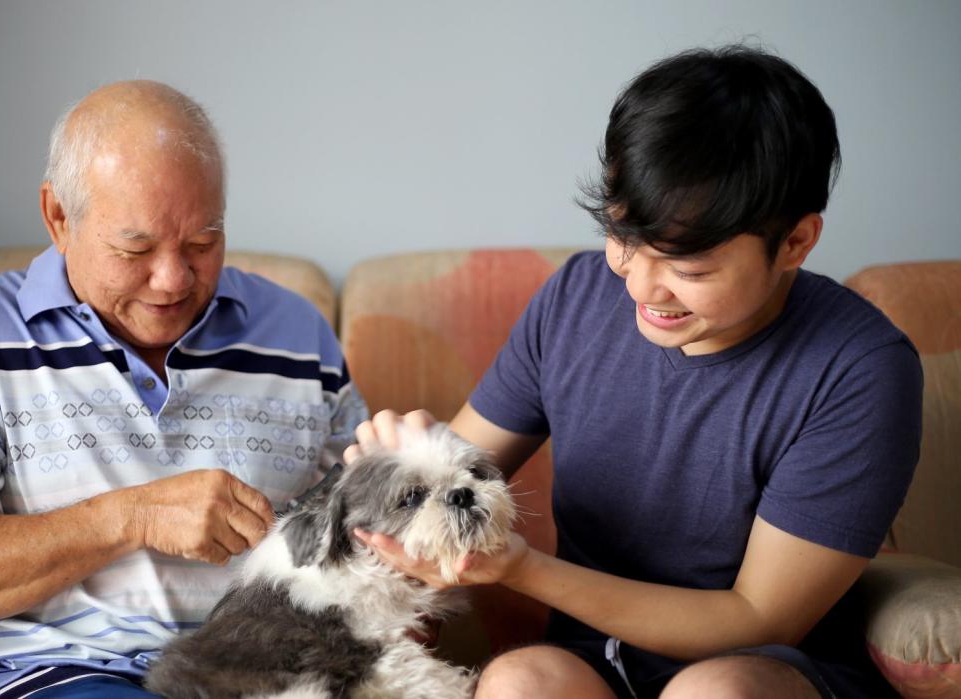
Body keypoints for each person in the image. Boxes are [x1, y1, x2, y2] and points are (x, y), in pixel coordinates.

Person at [346, 46, 922, 698]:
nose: (642, 286)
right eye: (623, 237)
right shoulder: (577, 297)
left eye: (690, 269)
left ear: (795, 242)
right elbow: (469, 461)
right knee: (518, 681)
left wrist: (523, 568)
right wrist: (412, 460)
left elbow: (760, 616)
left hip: (767, 668)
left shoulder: (860, 369)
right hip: (596, 658)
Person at [0, 81, 367, 699]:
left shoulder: (298, 336)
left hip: (269, 677)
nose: (172, 279)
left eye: (202, 244)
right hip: (65, 676)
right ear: (58, 217)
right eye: (136, 248)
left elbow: (361, 531)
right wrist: (131, 517)